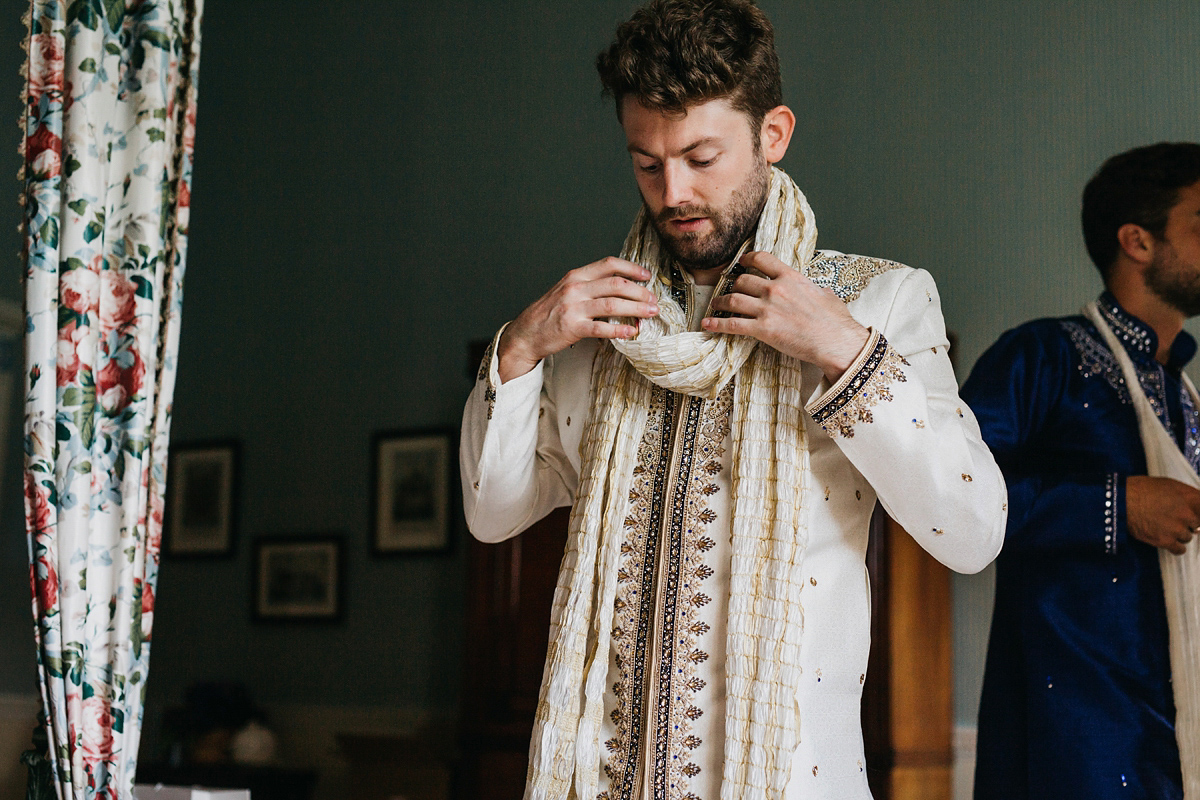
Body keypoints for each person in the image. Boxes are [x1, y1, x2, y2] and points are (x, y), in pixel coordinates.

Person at [460, 2, 1006, 798]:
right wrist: (521, 346)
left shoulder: (878, 302)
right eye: (647, 164)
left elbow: (973, 530)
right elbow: (494, 514)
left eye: (701, 156)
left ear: (773, 135)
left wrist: (844, 351)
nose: (673, 191)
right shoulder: (604, 325)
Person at [962, 142, 1200, 800]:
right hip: (1071, 736)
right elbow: (955, 498)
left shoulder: (1183, 393)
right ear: (1138, 242)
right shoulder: (1041, 357)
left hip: (1176, 732)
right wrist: (1117, 506)